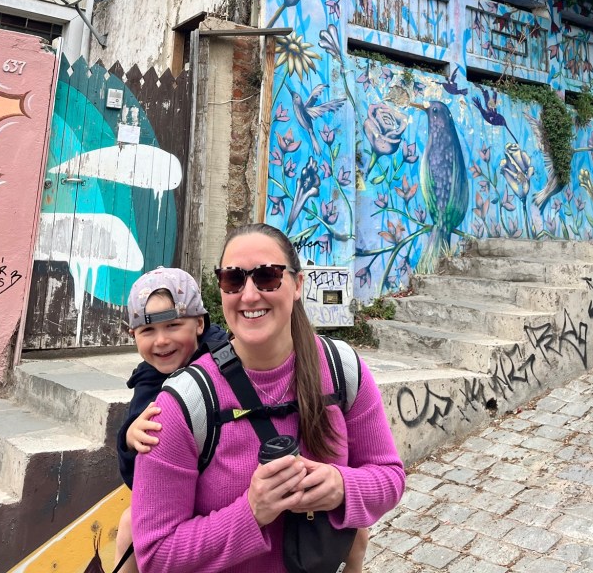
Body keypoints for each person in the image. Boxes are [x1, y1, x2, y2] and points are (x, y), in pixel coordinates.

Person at [132, 224, 405, 573]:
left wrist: (341, 486)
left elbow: (389, 477)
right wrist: (251, 512)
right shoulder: (183, 404)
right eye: (233, 279)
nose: (249, 295)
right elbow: (155, 556)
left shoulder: (342, 369)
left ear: (298, 284)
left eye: (267, 276)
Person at [114, 267, 228, 573]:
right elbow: (136, 481)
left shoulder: (225, 359)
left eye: (173, 325)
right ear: (133, 336)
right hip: (175, 495)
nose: (161, 340)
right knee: (129, 526)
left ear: (199, 323)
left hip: (224, 489)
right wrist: (130, 439)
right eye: (148, 331)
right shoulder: (149, 381)